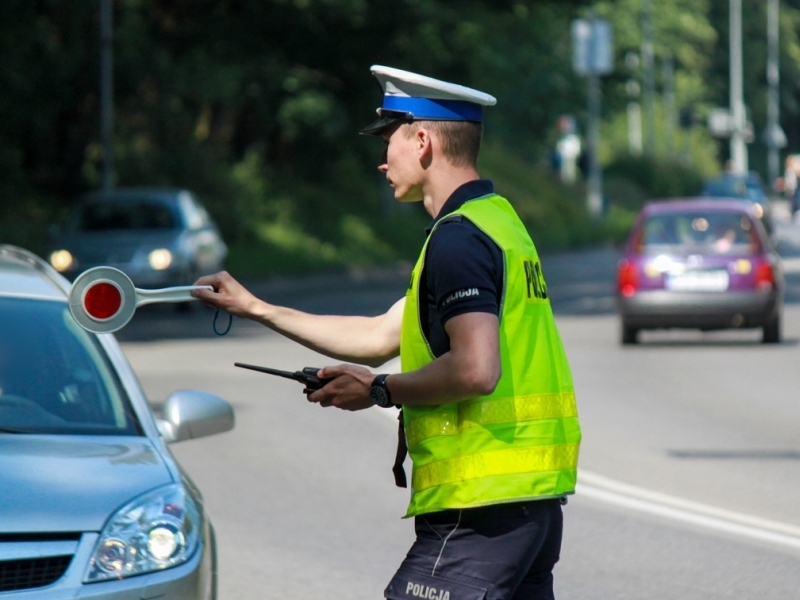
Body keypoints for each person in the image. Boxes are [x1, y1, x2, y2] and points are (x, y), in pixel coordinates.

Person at [193, 65, 581, 600]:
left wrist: (378, 389)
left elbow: (475, 369)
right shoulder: (498, 223)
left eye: (389, 141)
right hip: (526, 504)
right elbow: (380, 335)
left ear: (422, 140)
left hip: (480, 506)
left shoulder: (459, 240)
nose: (382, 160)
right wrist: (257, 308)